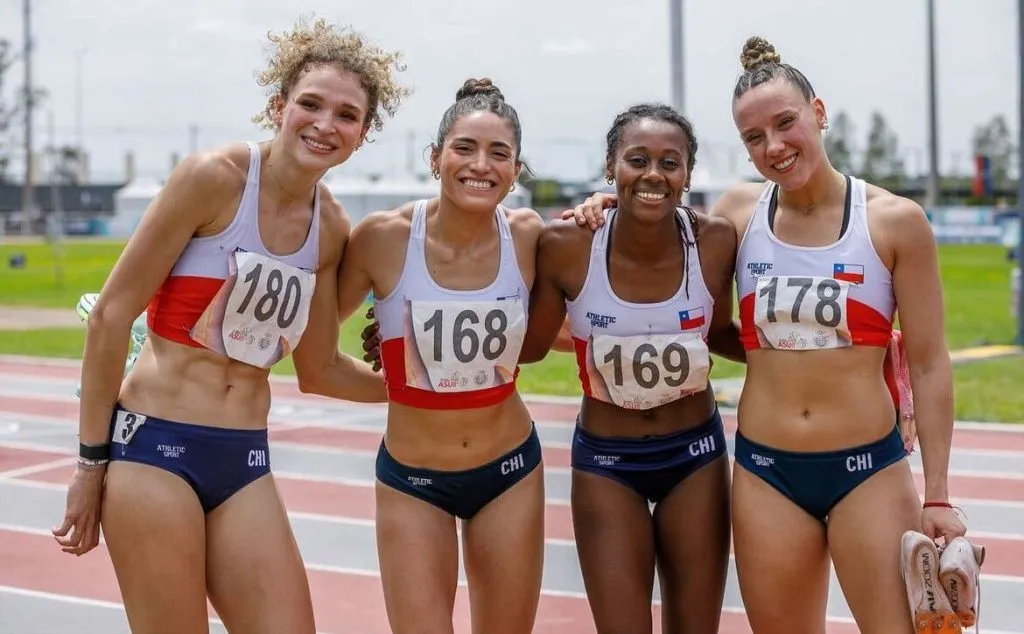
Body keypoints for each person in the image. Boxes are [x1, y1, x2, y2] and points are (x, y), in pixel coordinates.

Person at [566, 36, 970, 634]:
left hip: (868, 469)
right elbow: (657, 222)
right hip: (767, 473)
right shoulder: (738, 213)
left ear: (819, 113)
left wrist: (937, 494)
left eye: (786, 124)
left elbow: (931, 363)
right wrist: (606, 204)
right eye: (754, 137)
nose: (774, 147)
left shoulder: (895, 222)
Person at [52, 17, 408, 634]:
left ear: (363, 133)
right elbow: (109, 316)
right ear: (279, 105)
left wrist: (420, 386)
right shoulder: (213, 179)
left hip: (244, 458)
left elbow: (320, 369)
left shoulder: (330, 228)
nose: (325, 124)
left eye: (347, 115)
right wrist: (89, 468)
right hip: (154, 448)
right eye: (311, 104)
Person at [518, 103, 742, 634]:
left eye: (670, 163)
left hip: (695, 455)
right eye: (637, 160)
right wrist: (402, 334)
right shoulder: (567, 244)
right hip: (606, 461)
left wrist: (831, 354)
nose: (653, 175)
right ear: (610, 166)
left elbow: (719, 334)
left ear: (688, 174)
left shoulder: (714, 242)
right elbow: (527, 347)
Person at [334, 78, 546, 634]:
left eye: (499, 153)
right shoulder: (381, 238)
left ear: (516, 170)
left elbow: (582, 322)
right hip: (412, 480)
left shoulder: (529, 236)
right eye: (464, 148)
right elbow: (310, 355)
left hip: (509, 472)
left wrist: (601, 206)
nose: (481, 165)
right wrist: (407, 385)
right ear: (435, 158)